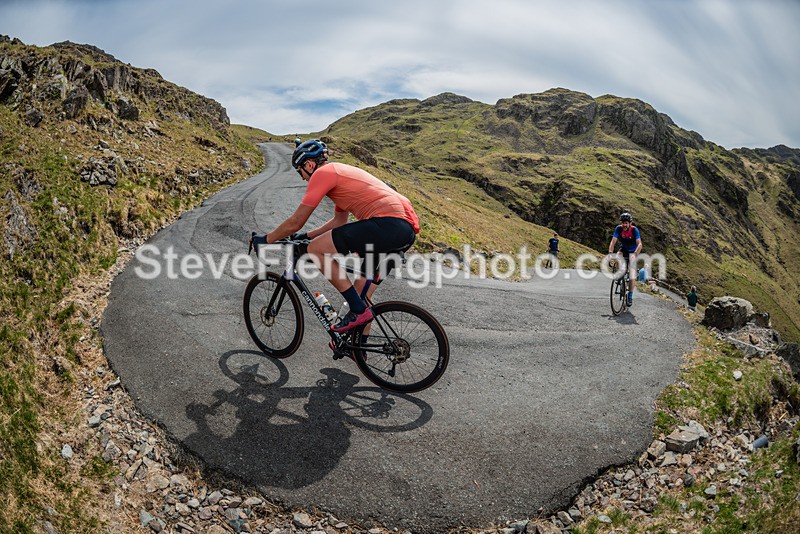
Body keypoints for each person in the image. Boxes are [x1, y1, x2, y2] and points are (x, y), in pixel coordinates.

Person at [256, 139, 419, 333]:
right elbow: (338, 222)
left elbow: (296, 220)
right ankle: (360, 352)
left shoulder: (323, 173)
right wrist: (305, 235)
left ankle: (358, 312)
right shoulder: (341, 177)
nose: (303, 178)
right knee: (361, 296)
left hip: (388, 225)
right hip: (404, 231)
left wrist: (266, 239)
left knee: (316, 250)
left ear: (309, 164)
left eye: (300, 171)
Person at [608, 212, 642, 307]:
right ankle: (620, 275)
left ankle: (630, 295)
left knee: (632, 275)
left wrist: (635, 254)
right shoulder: (618, 229)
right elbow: (613, 242)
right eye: (623, 222)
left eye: (626, 223)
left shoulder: (634, 230)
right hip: (624, 250)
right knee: (618, 255)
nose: (624, 224)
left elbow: (640, 244)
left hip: (633, 252)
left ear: (630, 223)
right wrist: (610, 254)